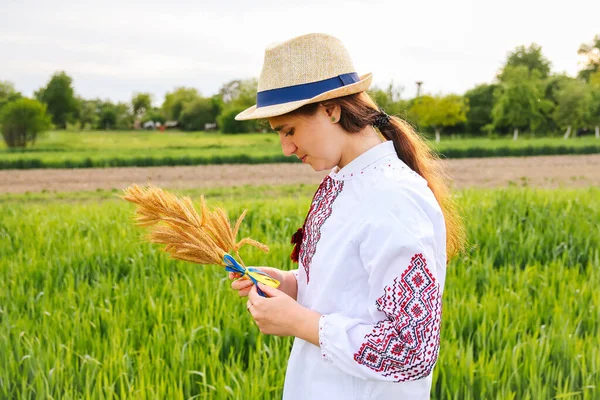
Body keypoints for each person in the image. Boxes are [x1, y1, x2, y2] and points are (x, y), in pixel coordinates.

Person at [229, 33, 464, 399]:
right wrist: (291, 284)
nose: (286, 148)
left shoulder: (392, 197)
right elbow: (350, 288)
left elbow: (413, 349)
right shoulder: (343, 181)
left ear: (331, 110)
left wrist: (299, 322)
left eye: (289, 130)